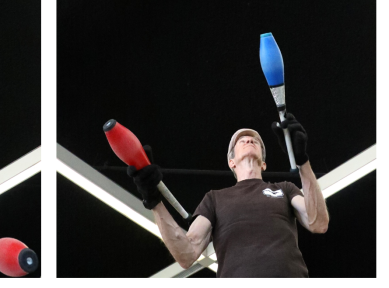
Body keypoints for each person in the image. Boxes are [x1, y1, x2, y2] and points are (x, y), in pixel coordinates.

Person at [127, 113, 329, 277]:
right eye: (241, 141)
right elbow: (187, 253)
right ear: (231, 163)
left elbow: (318, 222)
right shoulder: (214, 199)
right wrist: (154, 201)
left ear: (264, 163)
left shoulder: (284, 189)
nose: (249, 139)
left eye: (256, 141)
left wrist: (302, 161)